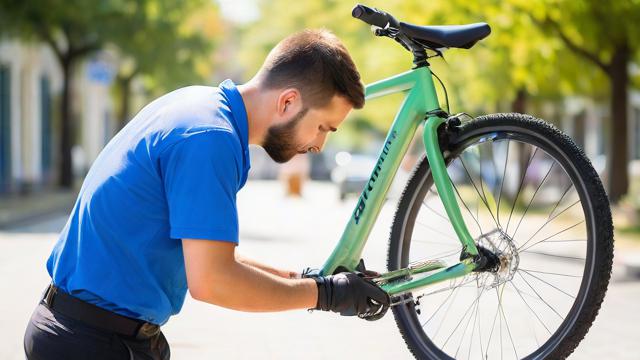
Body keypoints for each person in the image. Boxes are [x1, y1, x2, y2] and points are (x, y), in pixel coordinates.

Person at [23, 29, 390, 360]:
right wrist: (324, 296)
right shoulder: (210, 139)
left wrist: (307, 279)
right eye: (323, 127)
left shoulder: (200, 108)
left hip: (97, 335)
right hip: (90, 343)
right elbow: (214, 281)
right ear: (288, 102)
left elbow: (207, 253)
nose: (319, 145)